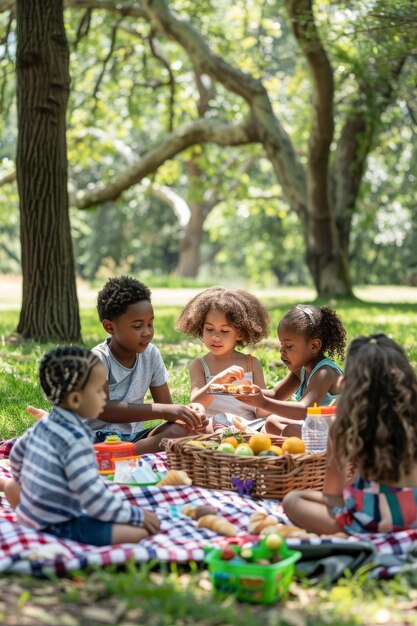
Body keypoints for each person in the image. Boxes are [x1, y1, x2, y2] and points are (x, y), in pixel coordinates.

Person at [0, 346, 160, 545]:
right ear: (76, 399)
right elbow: (93, 498)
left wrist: (32, 485)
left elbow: (16, 456)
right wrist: (137, 516)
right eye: (99, 390)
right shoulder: (77, 439)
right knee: (139, 532)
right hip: (60, 524)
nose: (105, 396)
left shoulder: (43, 426)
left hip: (28, 511)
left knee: (15, 484)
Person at [282, 334, 417, 535]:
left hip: (369, 520)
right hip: (414, 515)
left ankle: (352, 536)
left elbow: (332, 494)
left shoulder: (343, 425)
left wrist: (353, 489)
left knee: (293, 500)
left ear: (349, 383)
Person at [86, 275, 207, 454]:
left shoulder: (151, 354)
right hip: (95, 437)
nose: (147, 332)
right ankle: (116, 454)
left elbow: (166, 406)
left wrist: (187, 415)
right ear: (110, 327)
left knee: (180, 431)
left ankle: (123, 454)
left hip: (133, 438)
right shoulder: (97, 359)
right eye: (137, 326)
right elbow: (104, 409)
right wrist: (166, 410)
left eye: (150, 324)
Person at [235, 304, 346, 436]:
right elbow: (276, 394)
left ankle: (292, 453)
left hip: (339, 433)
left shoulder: (324, 372)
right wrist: (243, 391)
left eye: (289, 345)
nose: (282, 350)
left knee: (290, 431)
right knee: (271, 422)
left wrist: (263, 403)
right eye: (282, 344)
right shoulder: (301, 370)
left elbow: (304, 410)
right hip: (316, 425)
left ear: (314, 346)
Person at [175, 287, 271, 431]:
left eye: (225, 331)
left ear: (240, 334)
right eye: (209, 329)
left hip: (249, 427)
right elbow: (196, 403)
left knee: (274, 423)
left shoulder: (252, 364)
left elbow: (262, 411)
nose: (215, 337)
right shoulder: (199, 365)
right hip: (214, 426)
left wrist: (257, 398)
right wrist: (218, 382)